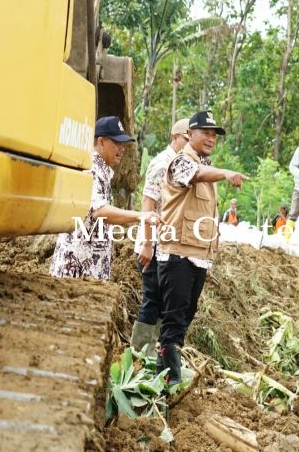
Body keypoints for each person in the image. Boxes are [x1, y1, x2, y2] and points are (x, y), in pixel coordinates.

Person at [156, 111, 248, 384]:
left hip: (197, 256)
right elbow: (194, 174)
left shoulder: (204, 164)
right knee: (173, 323)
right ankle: (168, 383)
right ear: (190, 135)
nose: (211, 138)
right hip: (177, 254)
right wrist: (225, 173)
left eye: (214, 135)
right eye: (205, 132)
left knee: (182, 321)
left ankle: (164, 377)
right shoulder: (180, 162)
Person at [51, 116, 161, 281]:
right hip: (77, 268)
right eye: (117, 143)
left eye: (123, 143)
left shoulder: (103, 171)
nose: (122, 148)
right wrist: (140, 216)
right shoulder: (91, 169)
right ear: (101, 142)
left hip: (90, 266)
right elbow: (99, 211)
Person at [129, 118, 189, 356]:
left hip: (170, 245)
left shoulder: (183, 164)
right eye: (186, 139)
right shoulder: (161, 164)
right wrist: (147, 244)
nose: (188, 144)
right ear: (175, 137)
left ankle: (153, 352)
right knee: (152, 300)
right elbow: (148, 204)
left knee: (166, 303)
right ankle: (137, 353)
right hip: (153, 243)